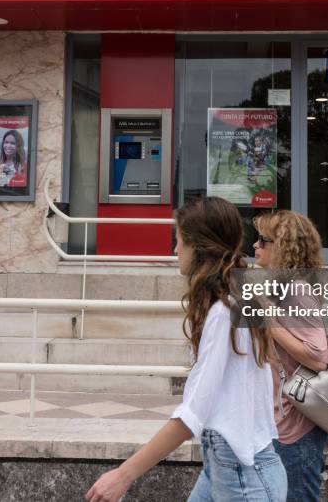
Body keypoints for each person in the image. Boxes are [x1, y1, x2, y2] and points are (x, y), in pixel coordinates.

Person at [86, 197, 287, 502]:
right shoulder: (240, 300)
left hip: (244, 477)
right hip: (231, 464)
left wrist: (122, 475)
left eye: (178, 240)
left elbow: (191, 415)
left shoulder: (224, 312)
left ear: (199, 246)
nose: (175, 249)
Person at [253, 211, 328, 502]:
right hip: (282, 423)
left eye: (263, 240)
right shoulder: (281, 288)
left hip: (298, 428)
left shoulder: (296, 290)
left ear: (283, 246)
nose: (255, 245)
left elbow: (318, 356)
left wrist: (269, 323)